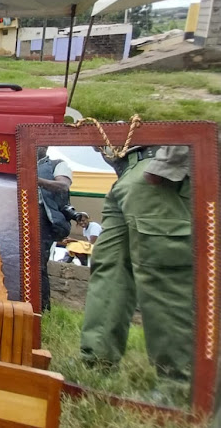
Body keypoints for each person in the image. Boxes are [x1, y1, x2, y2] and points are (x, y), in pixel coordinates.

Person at [80, 146, 192, 380]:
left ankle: (178, 382)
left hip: (160, 167)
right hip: (129, 171)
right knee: (109, 267)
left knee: (161, 273)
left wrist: (168, 164)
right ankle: (97, 361)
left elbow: (195, 112)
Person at [36, 146, 73, 311]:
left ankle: (42, 310)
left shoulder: (57, 164)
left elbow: (63, 186)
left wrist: (35, 180)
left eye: (41, 144)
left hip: (41, 219)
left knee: (37, 265)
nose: (38, 146)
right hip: (15, 216)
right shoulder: (16, 164)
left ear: (46, 146)